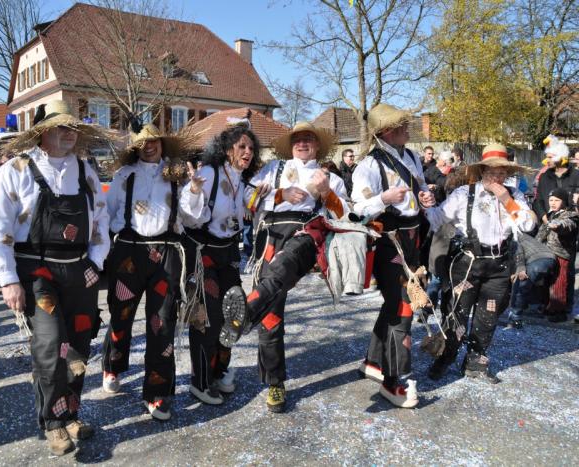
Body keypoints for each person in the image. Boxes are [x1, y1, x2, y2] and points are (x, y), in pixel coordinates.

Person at [0, 100, 111, 456]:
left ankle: (71, 414)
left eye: (72, 128)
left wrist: (96, 262)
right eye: (60, 128)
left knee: (79, 346)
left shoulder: (85, 171)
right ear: (43, 132)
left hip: (79, 269)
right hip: (37, 271)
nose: (68, 134)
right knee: (52, 346)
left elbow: (101, 221)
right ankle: (53, 423)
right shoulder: (16, 170)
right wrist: (8, 279)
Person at [220, 121, 349, 413]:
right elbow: (247, 199)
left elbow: (344, 214)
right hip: (270, 233)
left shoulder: (329, 176)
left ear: (317, 145)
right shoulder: (273, 169)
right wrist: (281, 195)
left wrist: (326, 193)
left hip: (306, 233)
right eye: (297, 139)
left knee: (284, 266)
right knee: (271, 313)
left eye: (308, 139)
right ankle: (275, 382)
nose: (302, 143)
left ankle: (246, 311)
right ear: (291, 145)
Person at [101, 122, 192, 420]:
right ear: (135, 148)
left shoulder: (177, 174)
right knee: (121, 314)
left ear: (162, 144)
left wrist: (194, 189)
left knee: (162, 322)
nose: (148, 146)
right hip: (129, 250)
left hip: (166, 252)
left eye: (154, 141)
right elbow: (108, 214)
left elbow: (192, 217)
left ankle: (157, 392)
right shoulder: (124, 175)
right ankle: (112, 365)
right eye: (142, 143)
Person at [425, 143, 536, 383]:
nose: (498, 177)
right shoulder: (464, 194)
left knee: (488, 317)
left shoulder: (514, 196)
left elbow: (528, 225)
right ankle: (445, 357)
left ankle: (475, 363)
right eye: (493, 171)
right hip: (467, 264)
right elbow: (437, 219)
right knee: (456, 313)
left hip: (499, 265)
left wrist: (506, 199)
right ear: (483, 170)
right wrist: (426, 204)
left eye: (502, 172)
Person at [351, 103, 435, 408]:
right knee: (403, 304)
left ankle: (374, 362)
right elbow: (358, 210)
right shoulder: (368, 165)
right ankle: (395, 380)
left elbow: (421, 189)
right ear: (386, 131)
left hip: (414, 239)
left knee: (394, 303)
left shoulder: (410, 156)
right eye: (402, 125)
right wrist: (384, 198)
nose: (407, 129)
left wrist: (425, 196)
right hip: (389, 242)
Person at [180, 119, 262, 405]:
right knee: (207, 318)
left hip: (228, 253)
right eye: (241, 146)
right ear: (227, 149)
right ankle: (201, 381)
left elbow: (249, 210)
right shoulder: (209, 173)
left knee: (233, 313)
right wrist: (193, 191)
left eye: (251, 148)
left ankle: (219, 369)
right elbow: (188, 215)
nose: (247, 152)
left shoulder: (243, 180)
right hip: (203, 252)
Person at [535, 188, 578, 322]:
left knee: (559, 282)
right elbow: (542, 232)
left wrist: (557, 225)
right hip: (547, 253)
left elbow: (567, 225)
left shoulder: (570, 215)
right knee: (546, 281)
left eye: (557, 200)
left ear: (564, 201)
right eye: (551, 200)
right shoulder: (551, 214)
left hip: (561, 254)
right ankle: (547, 306)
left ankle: (558, 311)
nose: (553, 203)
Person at [505, 231, 557, 328]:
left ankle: (515, 319)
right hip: (551, 258)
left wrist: (520, 270)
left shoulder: (513, 236)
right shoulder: (523, 235)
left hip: (537, 260)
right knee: (532, 285)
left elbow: (518, 252)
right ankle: (533, 307)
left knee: (519, 287)